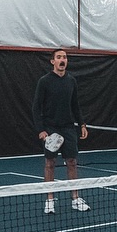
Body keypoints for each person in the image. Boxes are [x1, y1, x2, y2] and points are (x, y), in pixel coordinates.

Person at [34, 48, 90, 214]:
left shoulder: (71, 81)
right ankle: (50, 200)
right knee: (50, 163)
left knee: (72, 162)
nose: (62, 60)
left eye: (64, 57)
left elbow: (75, 105)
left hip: (68, 128)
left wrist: (82, 124)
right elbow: (36, 107)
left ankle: (75, 198)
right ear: (53, 61)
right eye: (58, 57)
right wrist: (41, 130)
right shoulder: (44, 81)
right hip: (50, 129)